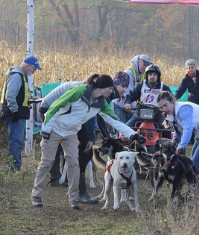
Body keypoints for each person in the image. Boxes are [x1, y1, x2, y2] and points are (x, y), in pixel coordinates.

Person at [31, 74, 144, 209]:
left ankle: (73, 198)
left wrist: (133, 135)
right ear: (101, 87)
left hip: (71, 132)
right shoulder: (79, 92)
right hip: (54, 128)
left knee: (74, 163)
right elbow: (55, 106)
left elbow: (114, 120)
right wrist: (46, 128)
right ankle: (36, 195)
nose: (111, 91)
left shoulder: (101, 103)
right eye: (109, 88)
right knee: (47, 162)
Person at [157, 91, 199, 186]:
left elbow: (187, 129)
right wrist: (173, 143)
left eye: (165, 105)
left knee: (195, 165)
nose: (164, 109)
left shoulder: (183, 109)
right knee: (191, 164)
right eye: (161, 107)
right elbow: (178, 131)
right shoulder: (172, 114)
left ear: (172, 101)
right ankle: (196, 188)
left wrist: (181, 145)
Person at [2, 56, 41, 171]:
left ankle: (15, 167)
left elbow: (20, 96)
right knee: (16, 141)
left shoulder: (20, 76)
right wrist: (15, 111)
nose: (33, 72)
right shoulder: (16, 76)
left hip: (17, 114)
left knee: (17, 141)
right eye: (34, 69)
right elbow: (10, 96)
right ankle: (13, 169)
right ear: (28, 66)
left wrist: (32, 98)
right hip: (14, 115)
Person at [123, 64, 172, 131]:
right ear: (146, 76)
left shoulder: (163, 87)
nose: (152, 77)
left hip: (158, 114)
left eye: (154, 75)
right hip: (140, 113)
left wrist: (168, 110)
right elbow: (130, 96)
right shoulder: (141, 85)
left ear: (158, 76)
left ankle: (173, 140)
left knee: (168, 131)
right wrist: (127, 103)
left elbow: (171, 101)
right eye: (150, 74)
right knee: (125, 130)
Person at [115, 54, 152, 123]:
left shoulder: (144, 75)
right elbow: (128, 92)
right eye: (144, 65)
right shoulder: (129, 73)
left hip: (131, 106)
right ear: (138, 62)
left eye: (148, 66)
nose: (146, 67)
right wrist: (135, 107)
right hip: (120, 105)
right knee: (121, 128)